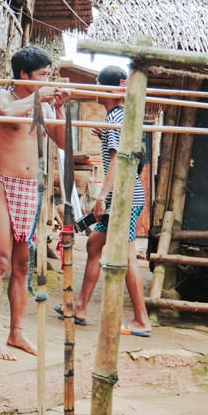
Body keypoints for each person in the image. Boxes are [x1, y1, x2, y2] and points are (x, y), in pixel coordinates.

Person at [0, 46, 70, 360]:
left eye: (49, 75)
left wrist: (59, 110)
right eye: (43, 75)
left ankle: (16, 332)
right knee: (1, 261)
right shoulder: (3, 97)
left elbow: (61, 142)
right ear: (23, 75)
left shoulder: (44, 106)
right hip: (4, 185)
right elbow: (6, 115)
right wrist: (40, 97)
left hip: (31, 189)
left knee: (22, 265)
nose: (48, 80)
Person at [67, 65, 152, 336]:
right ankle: (79, 307)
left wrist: (102, 196)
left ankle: (141, 321)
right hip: (123, 195)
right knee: (93, 244)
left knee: (127, 254)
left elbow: (118, 159)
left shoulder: (116, 117)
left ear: (104, 88)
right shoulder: (121, 116)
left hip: (123, 198)